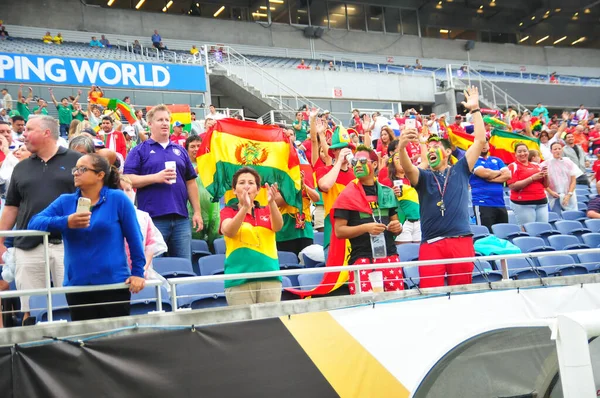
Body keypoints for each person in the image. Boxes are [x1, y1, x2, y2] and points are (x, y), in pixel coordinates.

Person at [28, 154, 145, 321]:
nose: (76, 173)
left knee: (115, 341)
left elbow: (135, 238)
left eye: (82, 169)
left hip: (113, 285)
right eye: (75, 169)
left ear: (100, 175)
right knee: (84, 342)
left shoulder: (118, 199)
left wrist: (138, 273)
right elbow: (34, 222)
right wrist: (66, 221)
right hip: (77, 286)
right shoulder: (65, 202)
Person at [398, 86, 485, 288]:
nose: (431, 150)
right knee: (430, 293)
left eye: (437, 147)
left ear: (447, 152)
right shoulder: (424, 176)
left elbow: (480, 140)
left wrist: (475, 110)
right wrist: (402, 146)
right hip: (431, 243)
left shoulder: (461, 169)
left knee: (462, 290)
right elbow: (408, 168)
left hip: (461, 240)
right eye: (429, 148)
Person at [0, 115, 82, 322]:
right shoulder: (21, 167)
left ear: (46, 132)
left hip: (69, 243)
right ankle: (31, 350)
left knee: (74, 305)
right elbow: (11, 206)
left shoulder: (77, 161)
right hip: (28, 244)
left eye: (29, 129)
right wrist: (1, 239)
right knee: (31, 308)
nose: (23, 134)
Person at [124, 105, 202, 261]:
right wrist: (155, 177)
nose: (165, 123)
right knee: (155, 268)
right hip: (153, 219)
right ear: (150, 124)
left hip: (181, 218)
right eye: (160, 120)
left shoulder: (180, 151)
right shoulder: (139, 150)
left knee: (183, 267)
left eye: (167, 120)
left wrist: (197, 212)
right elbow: (127, 179)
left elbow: (191, 183)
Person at [333, 145, 403, 294]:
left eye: (363, 161)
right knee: (365, 310)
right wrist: (366, 228)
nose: (357, 165)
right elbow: (339, 231)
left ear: (375, 164)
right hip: (363, 260)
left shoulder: (387, 192)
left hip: (390, 257)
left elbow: (396, 224)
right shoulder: (346, 195)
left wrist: (397, 227)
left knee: (396, 306)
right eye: (354, 162)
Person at [220, 167, 282, 305]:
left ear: (258, 190)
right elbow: (229, 231)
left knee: (271, 324)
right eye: (241, 183)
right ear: (234, 190)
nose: (246, 186)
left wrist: (272, 203)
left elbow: (278, 226)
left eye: (251, 183)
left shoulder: (267, 210)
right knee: (244, 326)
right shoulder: (228, 211)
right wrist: (244, 208)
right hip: (238, 280)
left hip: (269, 278)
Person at [316, 123, 356, 255]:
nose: (344, 151)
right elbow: (325, 185)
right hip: (333, 232)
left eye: (347, 148)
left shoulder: (356, 174)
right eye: (340, 148)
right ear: (333, 151)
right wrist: (339, 162)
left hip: (355, 231)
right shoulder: (324, 170)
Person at [119, 176, 168, 277]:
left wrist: (142, 269)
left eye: (128, 190)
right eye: (119, 190)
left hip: (141, 274)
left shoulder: (143, 217)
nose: (124, 193)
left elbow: (150, 246)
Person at [469, 139, 511, 232]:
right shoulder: (473, 160)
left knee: (503, 235)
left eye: (485, 143)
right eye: (481, 143)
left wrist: (492, 178)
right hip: (482, 203)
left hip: (500, 203)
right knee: (486, 235)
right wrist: (500, 172)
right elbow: (484, 173)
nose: (483, 145)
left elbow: (508, 175)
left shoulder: (497, 160)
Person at [185, 136, 220, 245]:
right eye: (192, 146)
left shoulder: (212, 164)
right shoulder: (184, 165)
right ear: (187, 149)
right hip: (193, 211)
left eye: (199, 146)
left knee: (215, 243)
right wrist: (198, 168)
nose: (196, 149)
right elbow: (183, 181)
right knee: (197, 245)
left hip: (213, 209)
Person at [507, 143, 549, 225]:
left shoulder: (537, 166)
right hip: (524, 203)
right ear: (515, 154)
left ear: (528, 152)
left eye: (524, 151)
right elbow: (513, 186)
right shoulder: (513, 166)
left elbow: (546, 185)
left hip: (542, 202)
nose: (522, 153)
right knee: (528, 230)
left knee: (543, 229)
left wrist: (546, 175)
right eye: (519, 152)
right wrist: (532, 178)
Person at [541, 142, 581, 214]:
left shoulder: (568, 162)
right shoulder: (545, 164)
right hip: (553, 196)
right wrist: (551, 192)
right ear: (551, 151)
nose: (557, 151)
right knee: (555, 215)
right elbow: (542, 182)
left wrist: (569, 194)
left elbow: (573, 180)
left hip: (569, 196)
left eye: (559, 148)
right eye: (555, 149)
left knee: (571, 215)